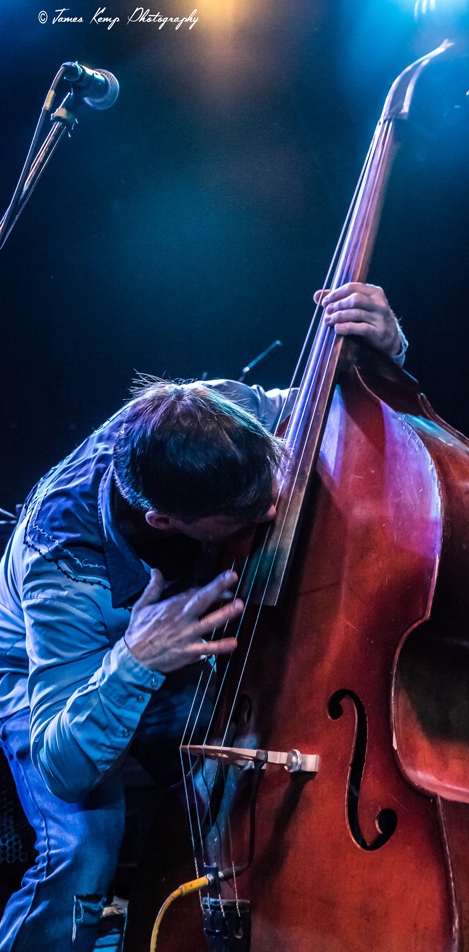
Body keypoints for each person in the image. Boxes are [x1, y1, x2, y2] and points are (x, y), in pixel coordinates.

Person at [0, 283, 407, 952]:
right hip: (52, 667)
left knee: (248, 768)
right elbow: (62, 764)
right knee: (80, 850)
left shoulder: (222, 412)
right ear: (164, 521)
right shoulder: (63, 563)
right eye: (246, 515)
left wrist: (385, 353)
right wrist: (135, 660)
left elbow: (330, 414)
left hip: (174, 636)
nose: (272, 509)